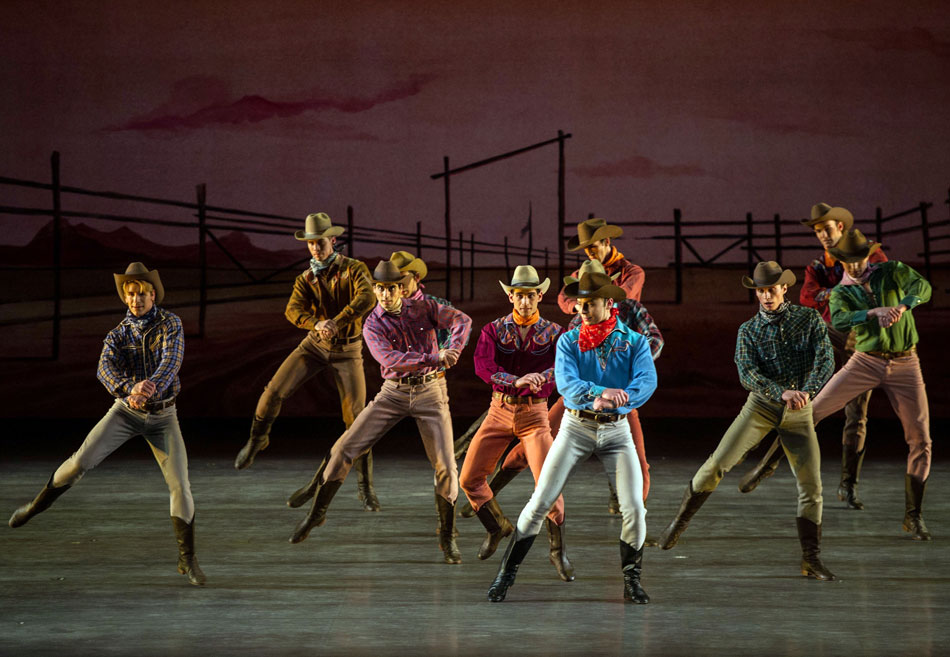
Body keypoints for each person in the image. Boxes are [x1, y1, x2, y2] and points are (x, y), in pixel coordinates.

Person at [8, 263, 206, 586]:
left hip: (163, 415)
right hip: (125, 412)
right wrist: (131, 389)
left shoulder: (171, 323)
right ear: (125, 298)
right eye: (130, 294)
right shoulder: (117, 335)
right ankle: (35, 506)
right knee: (78, 463)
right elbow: (104, 369)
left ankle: (188, 558)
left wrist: (149, 386)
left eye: (141, 294)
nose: (136, 300)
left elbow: (172, 361)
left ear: (152, 294)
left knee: (180, 485)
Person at [656, 262, 836, 582]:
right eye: (761, 290)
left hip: (799, 409)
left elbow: (825, 358)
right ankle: (679, 522)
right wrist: (780, 392)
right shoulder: (748, 330)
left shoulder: (807, 319)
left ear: (784, 289)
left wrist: (806, 392)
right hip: (762, 406)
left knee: (812, 486)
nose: (766, 296)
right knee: (717, 464)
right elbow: (747, 373)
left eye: (771, 289)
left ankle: (811, 558)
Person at [288, 259, 472, 564]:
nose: (385, 295)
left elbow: (462, 320)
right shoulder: (372, 322)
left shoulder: (423, 308)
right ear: (374, 290)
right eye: (380, 290)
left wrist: (453, 349)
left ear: (400, 288)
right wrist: (435, 356)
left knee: (446, 466)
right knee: (344, 449)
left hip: (430, 392)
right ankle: (316, 514)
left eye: (390, 289)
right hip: (393, 393)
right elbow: (392, 359)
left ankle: (447, 535)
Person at [487, 272, 656, 603]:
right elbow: (566, 383)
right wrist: (598, 391)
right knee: (540, 501)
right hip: (577, 428)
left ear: (609, 304)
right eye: (580, 305)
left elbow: (646, 381)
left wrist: (622, 397)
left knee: (634, 507)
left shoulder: (634, 342)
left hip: (616, 430)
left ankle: (631, 579)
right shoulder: (569, 340)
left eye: (589, 305)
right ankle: (505, 574)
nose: (583, 311)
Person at [457, 259, 663, 519]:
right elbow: (568, 367)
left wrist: (631, 364)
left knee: (638, 462)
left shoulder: (631, 309)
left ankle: (634, 520)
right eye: (582, 295)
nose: (585, 303)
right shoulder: (577, 322)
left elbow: (654, 339)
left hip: (618, 400)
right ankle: (491, 491)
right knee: (526, 448)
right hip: (579, 400)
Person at [738, 204, 888, 510]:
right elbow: (808, 296)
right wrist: (846, 294)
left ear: (842, 228)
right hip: (832, 334)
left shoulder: (869, 255)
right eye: (818, 231)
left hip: (865, 341)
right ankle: (769, 463)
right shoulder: (819, 264)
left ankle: (848, 484)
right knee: (806, 403)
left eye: (827, 229)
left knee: (857, 414)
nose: (823, 236)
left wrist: (836, 294)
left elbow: (882, 288)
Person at [235, 213, 381, 513]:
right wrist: (316, 324)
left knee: (357, 421)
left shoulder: (353, 269)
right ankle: (257, 439)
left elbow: (367, 298)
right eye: (311, 244)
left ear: (333, 241)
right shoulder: (307, 278)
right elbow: (292, 310)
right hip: (315, 344)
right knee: (273, 390)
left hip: (347, 349)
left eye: (321, 242)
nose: (316, 248)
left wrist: (337, 322)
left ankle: (365, 487)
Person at [809, 230, 933, 540]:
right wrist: (872, 312)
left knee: (921, 439)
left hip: (906, 362)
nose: (853, 267)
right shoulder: (842, 291)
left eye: (858, 260)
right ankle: (775, 462)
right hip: (866, 361)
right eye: (846, 262)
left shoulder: (891, 271)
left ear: (869, 256)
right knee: (812, 413)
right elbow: (838, 320)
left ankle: (913, 515)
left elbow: (924, 287)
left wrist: (903, 307)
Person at [459, 266, 573, 581]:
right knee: (469, 479)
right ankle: (497, 528)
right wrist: (516, 380)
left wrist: (542, 377)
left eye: (530, 295)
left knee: (549, 486)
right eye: (519, 295)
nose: (524, 301)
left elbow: (563, 368)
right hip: (499, 410)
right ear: (511, 295)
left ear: (540, 295)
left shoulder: (554, 332)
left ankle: (557, 551)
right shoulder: (494, 330)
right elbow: (483, 366)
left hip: (535, 415)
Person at [556, 218, 648, 514]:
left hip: (619, 361)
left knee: (627, 440)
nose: (589, 254)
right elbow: (564, 298)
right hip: (587, 369)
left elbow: (625, 302)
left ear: (607, 243)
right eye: (585, 250)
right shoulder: (581, 276)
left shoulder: (631, 273)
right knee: (551, 425)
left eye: (593, 247)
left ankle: (629, 502)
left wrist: (638, 367)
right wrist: (583, 303)